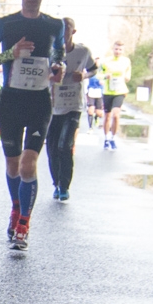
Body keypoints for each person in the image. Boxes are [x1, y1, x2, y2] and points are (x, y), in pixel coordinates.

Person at [0, 0, 66, 251]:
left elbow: (58, 55)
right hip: (12, 103)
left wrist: (58, 68)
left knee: (29, 164)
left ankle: (24, 224)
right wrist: (11, 54)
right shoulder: (6, 24)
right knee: (13, 165)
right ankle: (16, 207)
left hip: (39, 103)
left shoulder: (55, 25)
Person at [47, 16, 94, 201]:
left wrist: (83, 75)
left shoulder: (83, 52)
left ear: (73, 31)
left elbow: (94, 68)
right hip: (53, 106)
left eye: (68, 28)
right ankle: (56, 183)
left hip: (73, 106)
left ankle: (65, 186)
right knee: (52, 148)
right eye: (61, 27)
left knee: (64, 145)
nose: (64, 30)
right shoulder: (51, 51)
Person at [97, 40, 131, 151]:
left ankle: (113, 137)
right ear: (113, 49)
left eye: (120, 49)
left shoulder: (126, 61)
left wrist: (127, 77)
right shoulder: (106, 61)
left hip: (120, 91)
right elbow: (99, 74)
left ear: (123, 51)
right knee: (107, 116)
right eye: (116, 49)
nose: (118, 51)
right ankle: (106, 138)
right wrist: (104, 77)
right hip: (108, 91)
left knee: (116, 115)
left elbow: (128, 74)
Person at [84, 62, 104, 129]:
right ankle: (90, 127)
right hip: (91, 92)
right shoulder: (90, 71)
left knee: (99, 113)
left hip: (99, 92)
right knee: (91, 110)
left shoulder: (102, 71)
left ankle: (96, 118)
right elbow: (86, 81)